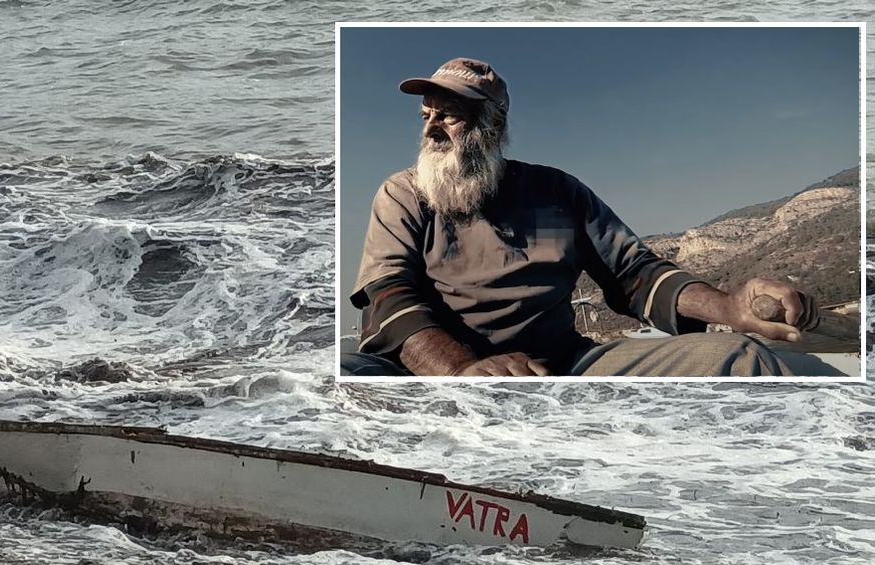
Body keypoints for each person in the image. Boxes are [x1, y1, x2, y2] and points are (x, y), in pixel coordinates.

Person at [343, 58, 820, 377]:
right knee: (330, 375)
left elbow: (634, 274)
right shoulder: (404, 193)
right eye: (426, 114)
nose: (431, 128)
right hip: (432, 369)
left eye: (449, 115)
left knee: (737, 357)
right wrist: (461, 372)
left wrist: (728, 307)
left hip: (558, 369)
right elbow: (389, 296)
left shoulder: (555, 192)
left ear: (493, 124)